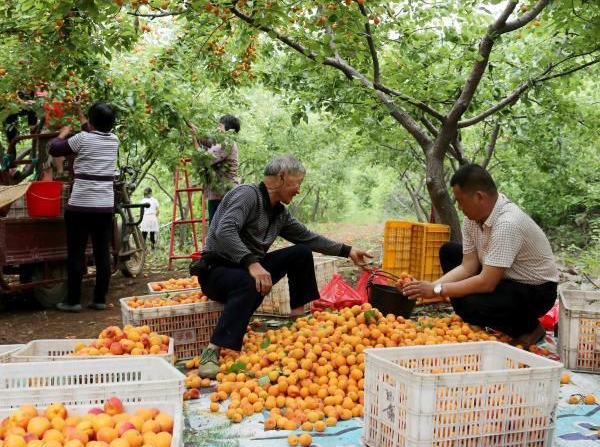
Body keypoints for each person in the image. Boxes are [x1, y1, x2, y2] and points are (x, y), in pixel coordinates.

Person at [190, 154, 372, 377]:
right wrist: (252, 263)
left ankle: (297, 323)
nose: (298, 190)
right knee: (248, 280)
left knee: (301, 252)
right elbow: (225, 230)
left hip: (246, 270)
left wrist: (348, 250)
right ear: (283, 176)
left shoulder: (280, 214)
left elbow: (308, 238)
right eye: (298, 183)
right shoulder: (247, 194)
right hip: (216, 272)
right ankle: (213, 349)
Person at [403, 163, 559, 345]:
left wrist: (438, 290)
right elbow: (467, 266)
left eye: (461, 201)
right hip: (504, 279)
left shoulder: (507, 224)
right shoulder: (473, 219)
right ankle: (479, 315)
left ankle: (528, 328)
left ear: (479, 197)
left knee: (471, 305)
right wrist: (430, 287)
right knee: (449, 252)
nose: (459, 208)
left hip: (535, 290)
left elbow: (486, 283)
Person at [47, 102, 119, 313]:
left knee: (76, 253)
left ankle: (73, 301)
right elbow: (92, 131)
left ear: (93, 121)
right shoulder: (114, 140)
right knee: (102, 253)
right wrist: (81, 114)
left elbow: (54, 149)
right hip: (104, 206)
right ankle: (99, 299)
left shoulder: (82, 138)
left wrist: (61, 134)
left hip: (80, 205)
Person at [190, 114, 240, 224]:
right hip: (220, 193)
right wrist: (196, 131)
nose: (217, 128)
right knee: (220, 229)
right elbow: (208, 141)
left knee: (218, 230)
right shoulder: (223, 142)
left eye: (220, 126)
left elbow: (203, 158)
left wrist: (194, 138)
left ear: (228, 130)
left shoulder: (226, 143)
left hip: (223, 195)